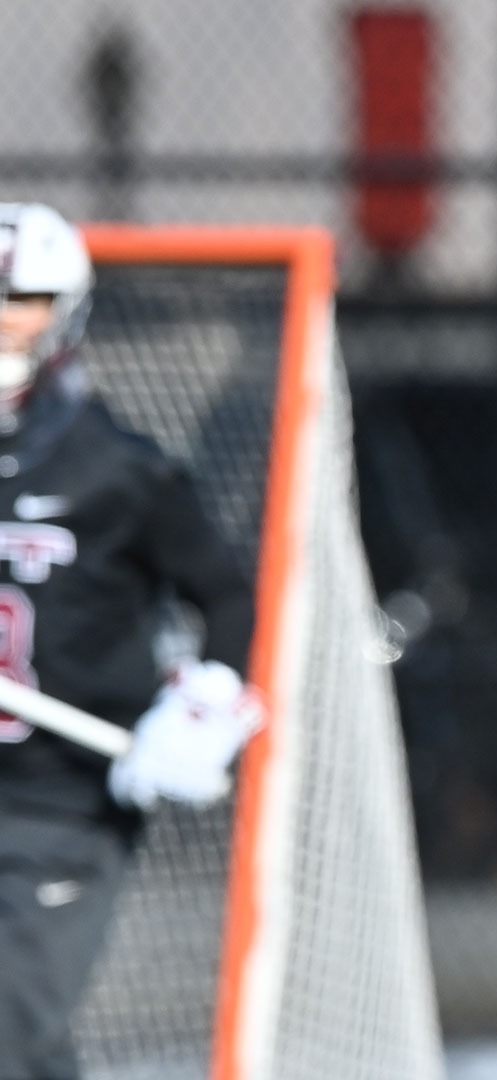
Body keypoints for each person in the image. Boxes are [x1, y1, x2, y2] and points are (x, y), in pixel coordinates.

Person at [0, 202, 263, 1080]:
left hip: (62, 805)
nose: (4, 314)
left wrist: (206, 700)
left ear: (66, 310)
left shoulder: (115, 467)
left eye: (25, 296)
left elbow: (225, 596)